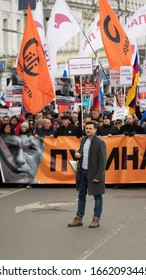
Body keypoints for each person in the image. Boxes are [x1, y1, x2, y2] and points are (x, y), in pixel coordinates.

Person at [68, 121, 107, 228]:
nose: (88, 130)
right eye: (87, 128)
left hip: (94, 174)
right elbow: (81, 151)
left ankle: (96, 219)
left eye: (90, 128)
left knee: (98, 196)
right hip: (83, 172)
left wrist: (98, 176)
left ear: (95, 130)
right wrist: (77, 153)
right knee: (81, 195)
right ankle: (79, 218)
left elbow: (103, 161)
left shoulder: (100, 142)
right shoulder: (84, 140)